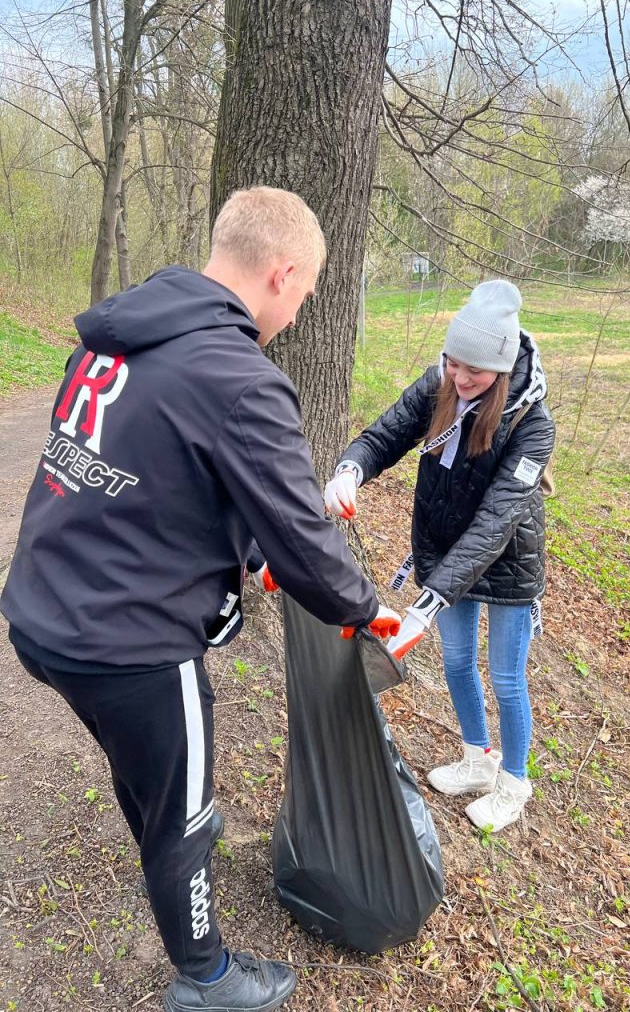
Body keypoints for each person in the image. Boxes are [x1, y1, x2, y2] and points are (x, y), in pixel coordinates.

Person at [0, 186, 402, 1012]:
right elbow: (305, 540)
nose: (297, 313)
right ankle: (208, 978)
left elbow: (157, 473)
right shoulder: (239, 377)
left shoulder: (119, 337)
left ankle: (161, 829)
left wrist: (249, 557)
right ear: (283, 274)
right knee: (186, 817)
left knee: (149, 774)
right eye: (305, 294)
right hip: (130, 644)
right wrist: (366, 610)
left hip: (41, 613)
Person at [324, 280, 555, 833]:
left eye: (475, 370)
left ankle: (513, 783)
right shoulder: (438, 386)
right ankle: (477, 759)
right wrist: (350, 469)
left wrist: (427, 603)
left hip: (507, 563)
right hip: (444, 553)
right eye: (454, 362)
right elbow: (383, 436)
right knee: (455, 662)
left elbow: (496, 522)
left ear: (502, 368)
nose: (460, 378)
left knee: (506, 677)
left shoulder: (532, 424)